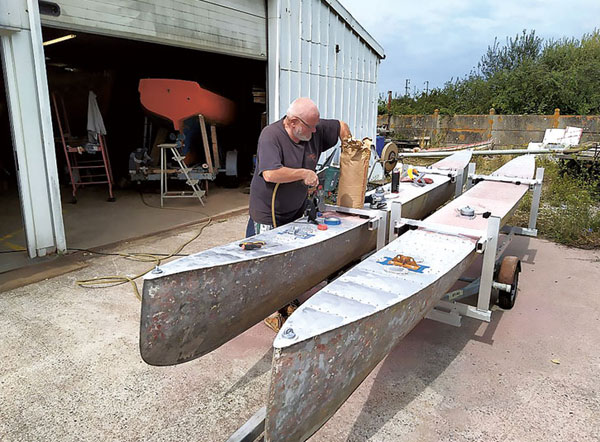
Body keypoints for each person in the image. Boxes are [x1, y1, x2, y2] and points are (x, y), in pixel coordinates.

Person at [248, 97, 351, 330]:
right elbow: (271, 174)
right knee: (268, 263)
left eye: (316, 126)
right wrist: (304, 173)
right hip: (269, 214)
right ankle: (269, 310)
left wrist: (349, 148)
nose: (316, 131)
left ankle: (288, 299)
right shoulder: (271, 136)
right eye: (310, 127)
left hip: (296, 210)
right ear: (293, 122)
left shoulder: (313, 128)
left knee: (293, 259)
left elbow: (341, 127)